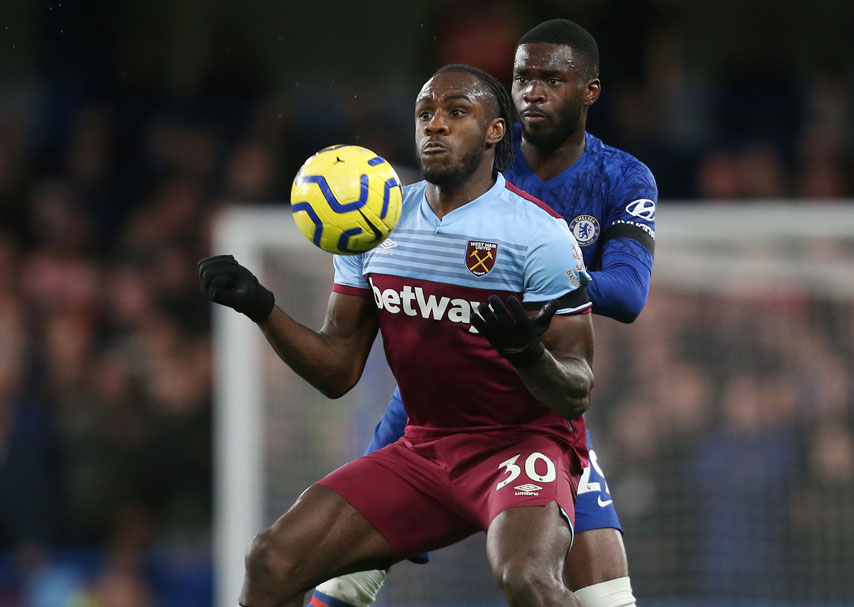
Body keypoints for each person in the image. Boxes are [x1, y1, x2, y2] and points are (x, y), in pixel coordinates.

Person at [199, 64, 596, 607]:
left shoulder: (539, 236)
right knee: (270, 558)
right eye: (425, 113)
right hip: (424, 448)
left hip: (520, 443)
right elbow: (338, 369)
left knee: (528, 579)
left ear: (496, 130)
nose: (435, 125)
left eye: (457, 112)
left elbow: (578, 387)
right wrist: (263, 308)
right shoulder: (376, 225)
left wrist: (529, 355)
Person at [312, 19, 655, 607]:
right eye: (522, 78)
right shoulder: (479, 154)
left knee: (606, 595)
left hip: (537, 401)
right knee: (344, 573)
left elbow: (626, 293)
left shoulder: (621, 176)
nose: (533, 92)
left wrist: (524, 278)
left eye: (552, 79)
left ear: (590, 91)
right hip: (431, 403)